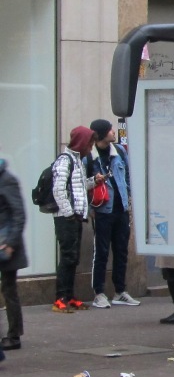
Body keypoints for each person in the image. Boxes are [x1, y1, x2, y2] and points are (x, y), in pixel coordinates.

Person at [86, 119, 139, 309]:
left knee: (121, 250)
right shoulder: (89, 156)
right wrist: (93, 181)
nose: (112, 132)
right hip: (102, 210)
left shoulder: (119, 151)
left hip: (121, 208)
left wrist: (130, 199)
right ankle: (98, 292)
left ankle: (120, 291)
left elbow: (128, 176)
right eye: (109, 130)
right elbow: (81, 183)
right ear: (100, 134)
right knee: (101, 252)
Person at [52, 126, 101, 313]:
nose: (91, 148)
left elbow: (78, 187)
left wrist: (94, 181)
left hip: (75, 217)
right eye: (89, 143)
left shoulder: (77, 161)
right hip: (67, 218)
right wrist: (68, 213)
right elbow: (58, 189)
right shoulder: (65, 161)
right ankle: (60, 298)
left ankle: (69, 296)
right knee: (67, 256)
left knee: (73, 258)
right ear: (82, 142)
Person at [0, 148, 28, 353]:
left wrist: (10, 243)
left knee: (9, 290)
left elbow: (19, 214)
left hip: (6, 245)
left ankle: (14, 335)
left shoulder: (7, 180)